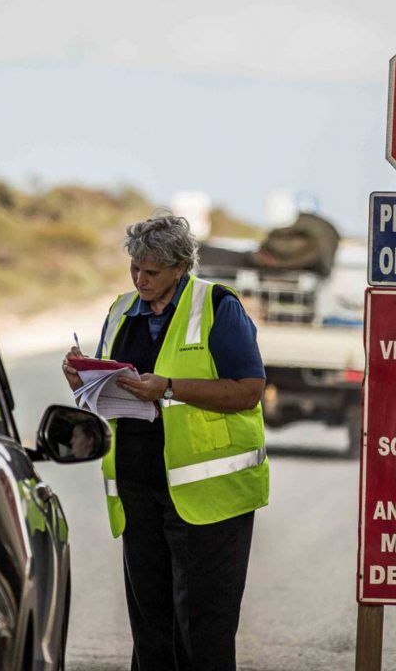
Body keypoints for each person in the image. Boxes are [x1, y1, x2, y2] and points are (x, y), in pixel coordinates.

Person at [62, 215, 269, 671]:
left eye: (151, 271)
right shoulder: (121, 309)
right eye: (135, 268)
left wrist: (170, 387)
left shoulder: (218, 306)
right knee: (151, 627)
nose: (141, 280)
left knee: (204, 630)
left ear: (180, 267)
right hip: (139, 490)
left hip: (210, 498)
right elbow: (110, 390)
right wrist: (82, 378)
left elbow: (248, 389)